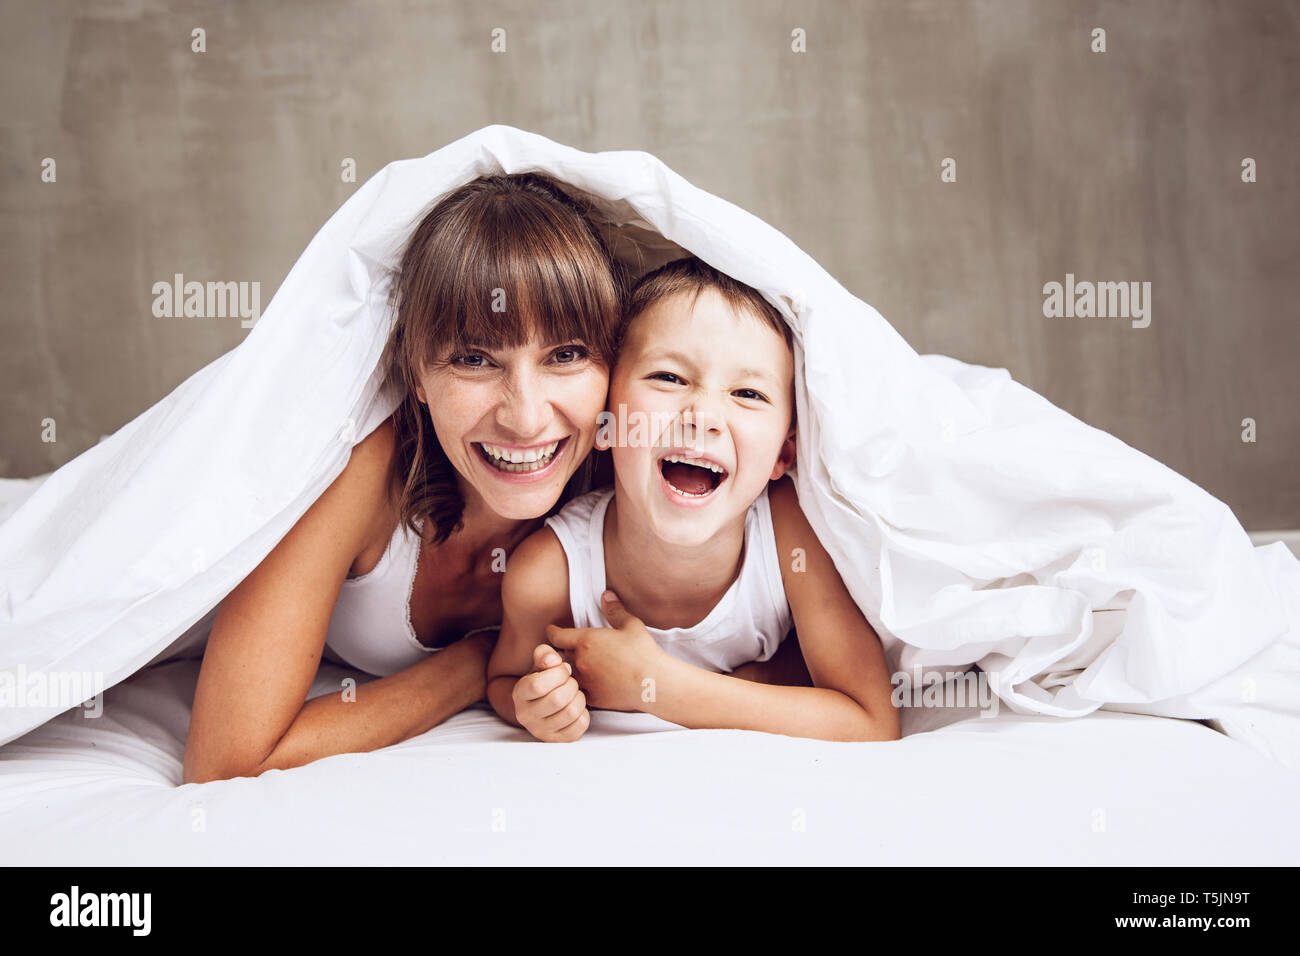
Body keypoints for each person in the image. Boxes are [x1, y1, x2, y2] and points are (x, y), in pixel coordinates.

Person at [182, 172, 627, 782]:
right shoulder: (360, 470)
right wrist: (476, 667)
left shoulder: (629, 471)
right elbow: (228, 759)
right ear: (415, 374)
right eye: (474, 359)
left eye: (566, 355)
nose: (525, 418)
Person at [486, 257, 900, 743]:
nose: (702, 415)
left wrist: (656, 686)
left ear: (783, 455)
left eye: (747, 393)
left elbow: (870, 719)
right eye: (668, 378)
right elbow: (504, 681)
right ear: (604, 421)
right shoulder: (548, 574)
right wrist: (532, 705)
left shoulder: (792, 533)